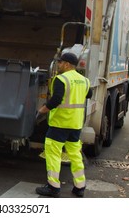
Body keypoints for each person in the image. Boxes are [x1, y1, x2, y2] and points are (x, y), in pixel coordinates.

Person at [35, 52, 92, 198]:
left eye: (60, 63)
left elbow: (56, 100)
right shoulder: (84, 80)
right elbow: (89, 95)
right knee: (74, 154)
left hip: (60, 123)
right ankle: (80, 186)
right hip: (75, 124)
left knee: (53, 154)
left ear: (67, 64)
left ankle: (53, 186)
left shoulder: (61, 79)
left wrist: (41, 111)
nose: (58, 65)